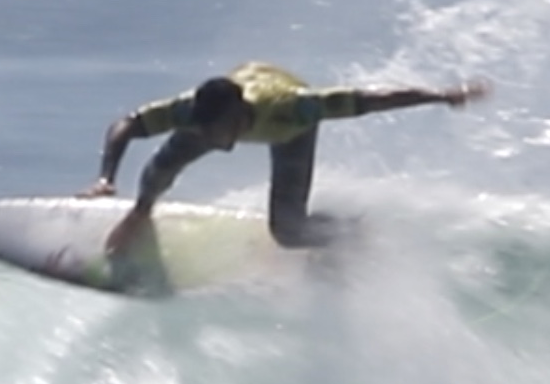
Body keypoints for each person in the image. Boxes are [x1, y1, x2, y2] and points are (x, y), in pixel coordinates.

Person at [83, 62, 489, 261]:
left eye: (220, 131)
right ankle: (140, 215)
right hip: (244, 82)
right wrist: (105, 178)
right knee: (161, 167)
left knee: (289, 232)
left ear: (240, 117)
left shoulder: (294, 110)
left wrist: (442, 95)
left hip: (288, 127)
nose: (214, 140)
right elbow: (127, 124)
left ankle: (354, 235)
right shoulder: (193, 114)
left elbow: (369, 99)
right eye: (207, 130)